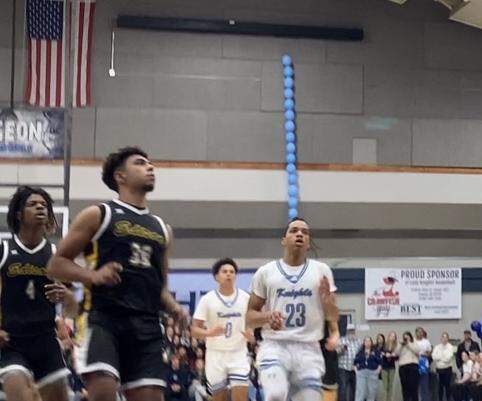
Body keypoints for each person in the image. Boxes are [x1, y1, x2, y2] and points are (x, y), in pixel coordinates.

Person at [48, 147, 186, 401]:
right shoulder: (99, 214)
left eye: (150, 163)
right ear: (120, 176)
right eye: (140, 163)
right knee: (103, 392)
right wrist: (92, 276)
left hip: (146, 325)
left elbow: (160, 288)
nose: (150, 167)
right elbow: (56, 264)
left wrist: (175, 308)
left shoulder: (162, 228)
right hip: (103, 319)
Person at [244, 218, 339, 401]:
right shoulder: (266, 272)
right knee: (276, 394)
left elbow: (333, 315)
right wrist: (267, 317)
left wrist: (329, 305)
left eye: (304, 232)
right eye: (294, 230)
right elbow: (249, 317)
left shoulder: (322, 271)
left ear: (308, 243)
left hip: (309, 348)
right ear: (284, 240)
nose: (299, 234)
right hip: (275, 346)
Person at [0, 186, 74, 401]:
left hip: (45, 341)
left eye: (44, 204)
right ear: (18, 214)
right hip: (10, 341)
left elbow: (73, 307)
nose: (40, 207)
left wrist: (66, 296)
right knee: (20, 394)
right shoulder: (4, 250)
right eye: (32, 204)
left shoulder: (56, 255)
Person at [191, 258, 252, 401]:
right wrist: (209, 333)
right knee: (219, 398)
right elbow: (194, 330)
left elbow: (253, 323)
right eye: (225, 271)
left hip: (238, 353)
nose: (229, 274)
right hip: (215, 354)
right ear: (216, 277)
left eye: (232, 272)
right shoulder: (207, 299)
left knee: (241, 396)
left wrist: (251, 333)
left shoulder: (245, 298)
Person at [396, 333, 420, 401]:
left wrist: (408, 343)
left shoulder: (414, 343)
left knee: (413, 388)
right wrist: (401, 345)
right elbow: (396, 353)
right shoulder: (401, 345)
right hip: (403, 367)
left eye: (407, 337)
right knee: (405, 388)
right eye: (404, 338)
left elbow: (417, 351)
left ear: (410, 337)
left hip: (413, 366)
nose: (406, 339)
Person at [337, 332, 361, 401]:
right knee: (343, 388)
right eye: (350, 332)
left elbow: (360, 354)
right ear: (347, 332)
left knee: (354, 388)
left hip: (354, 369)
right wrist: (342, 349)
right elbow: (336, 353)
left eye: (353, 332)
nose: (352, 334)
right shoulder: (341, 340)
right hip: (343, 368)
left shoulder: (358, 341)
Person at [432, 333, 456, 401]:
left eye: (446, 337)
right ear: (441, 338)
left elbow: (448, 359)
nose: (444, 339)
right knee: (440, 386)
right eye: (443, 337)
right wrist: (442, 357)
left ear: (448, 339)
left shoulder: (450, 347)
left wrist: (440, 357)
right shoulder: (437, 347)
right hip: (439, 369)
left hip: (447, 368)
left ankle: (448, 399)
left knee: (447, 385)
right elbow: (434, 357)